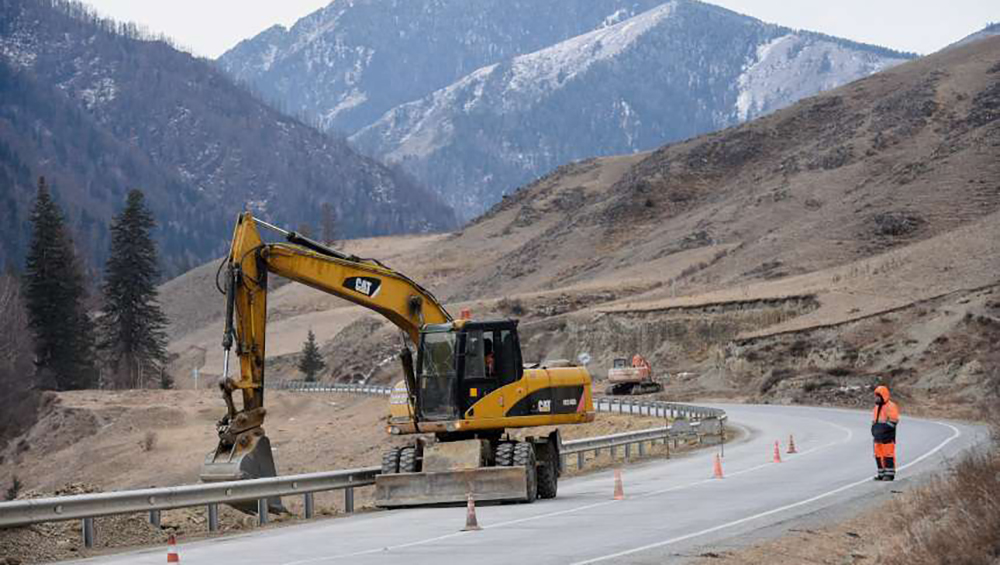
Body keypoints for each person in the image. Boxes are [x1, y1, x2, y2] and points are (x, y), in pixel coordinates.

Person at [871, 385, 900, 481]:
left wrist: (882, 430)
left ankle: (889, 475)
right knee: (878, 455)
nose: (876, 398)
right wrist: (874, 430)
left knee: (888, 455)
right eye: (876, 396)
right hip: (878, 437)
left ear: (883, 396)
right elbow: (874, 421)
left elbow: (893, 421)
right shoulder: (876, 407)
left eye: (878, 396)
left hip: (888, 436)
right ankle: (881, 474)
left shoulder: (891, 406)